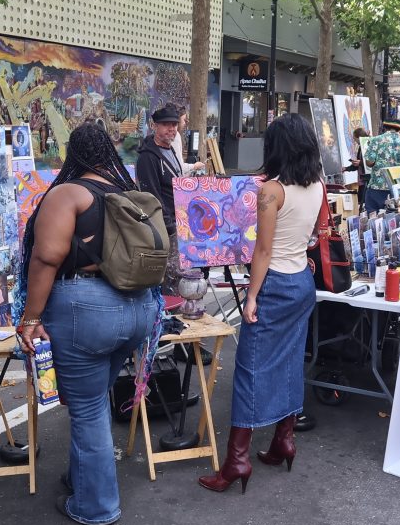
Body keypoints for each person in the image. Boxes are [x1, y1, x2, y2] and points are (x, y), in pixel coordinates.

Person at [15, 123, 157, 525]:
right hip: (137, 312)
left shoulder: (68, 193)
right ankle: (81, 478)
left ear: (71, 153)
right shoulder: (126, 193)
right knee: (94, 397)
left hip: (88, 311)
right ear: (108, 152)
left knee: (89, 408)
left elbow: (46, 258)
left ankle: (96, 506)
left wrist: (31, 318)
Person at [198, 113, 323, 495]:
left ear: (276, 147)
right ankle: (283, 439)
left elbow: (263, 252)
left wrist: (251, 296)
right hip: (302, 281)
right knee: (288, 363)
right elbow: (314, 236)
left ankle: (237, 461)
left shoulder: (272, 190)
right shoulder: (317, 184)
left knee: (251, 369)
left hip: (275, 284)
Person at [136, 105, 186, 295]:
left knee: (177, 274)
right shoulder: (148, 157)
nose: (171, 129)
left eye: (174, 124)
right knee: (169, 277)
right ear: (154, 126)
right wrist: (169, 224)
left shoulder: (171, 150)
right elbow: (151, 196)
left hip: (177, 223)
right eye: (165, 125)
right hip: (164, 227)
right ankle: (167, 316)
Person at [364, 119, 400, 213]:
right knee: (397, 217)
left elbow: (369, 162)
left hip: (377, 186)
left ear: (384, 127)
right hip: (398, 189)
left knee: (373, 217)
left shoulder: (376, 140)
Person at [344, 127, 368, 205]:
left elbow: (371, 163)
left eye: (355, 138)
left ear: (359, 137)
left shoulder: (368, 145)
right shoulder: (360, 147)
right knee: (361, 200)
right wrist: (347, 168)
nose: (354, 141)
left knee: (364, 201)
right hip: (361, 179)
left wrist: (360, 163)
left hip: (367, 180)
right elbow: (358, 164)